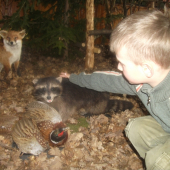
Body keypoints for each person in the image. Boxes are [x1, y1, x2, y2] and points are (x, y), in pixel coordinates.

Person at [60, 9, 170, 170]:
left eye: (122, 64)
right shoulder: (141, 82)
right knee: (135, 128)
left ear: (147, 69)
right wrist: (73, 78)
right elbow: (107, 80)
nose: (118, 67)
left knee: (158, 159)